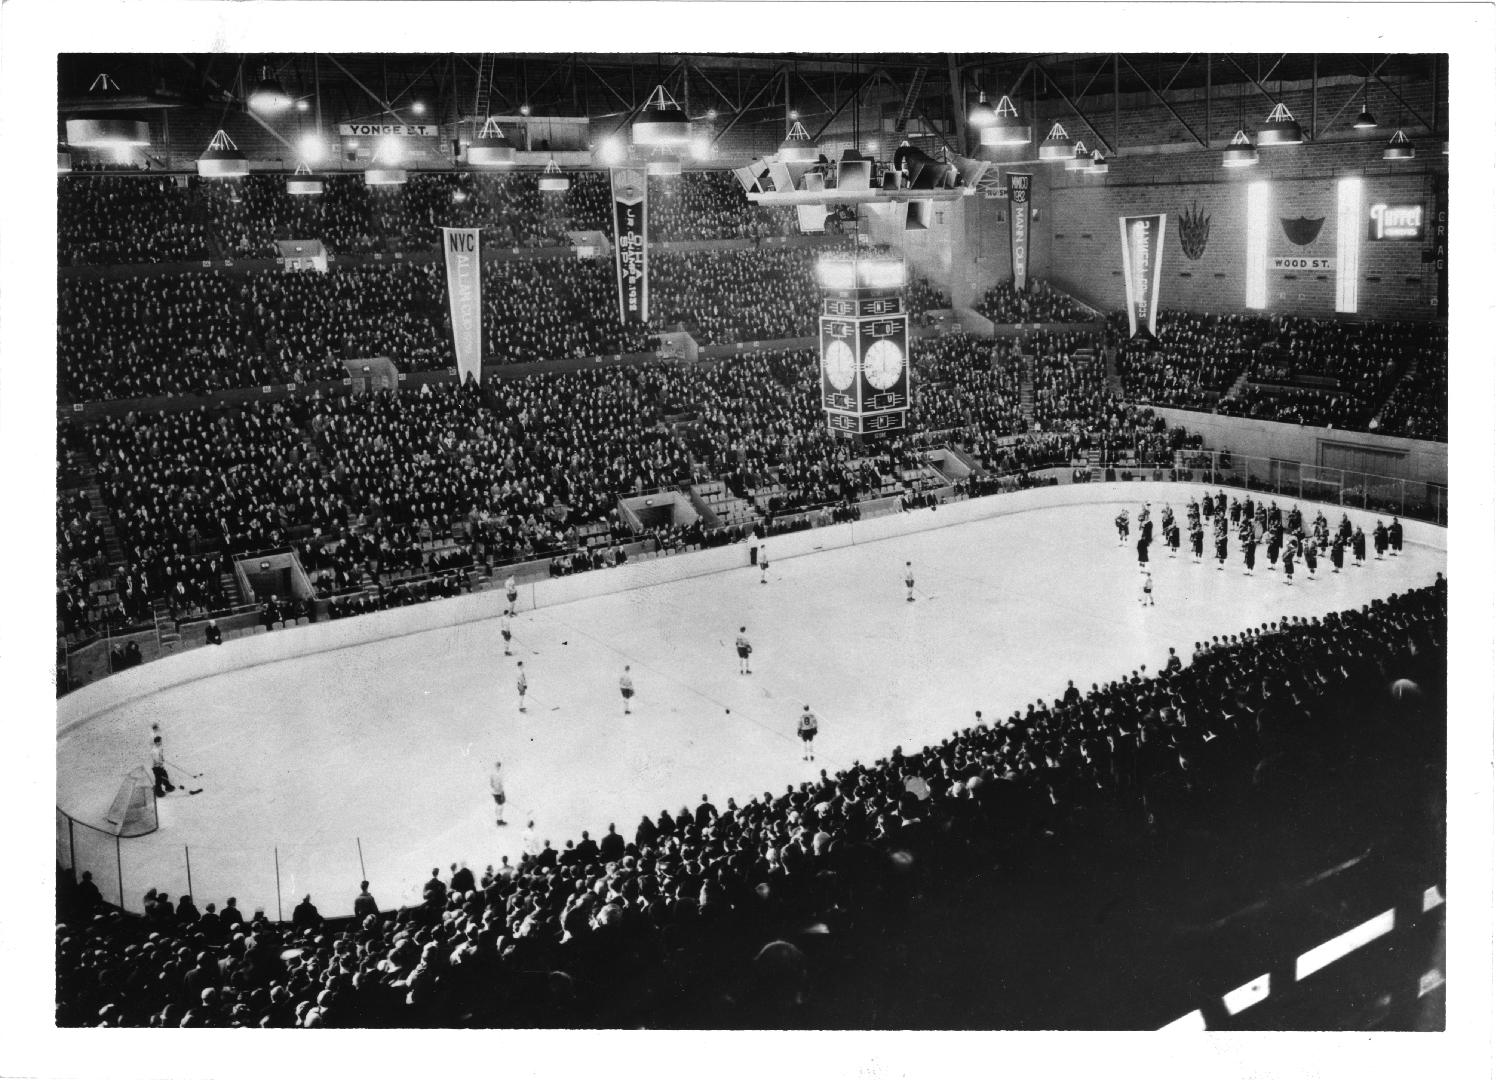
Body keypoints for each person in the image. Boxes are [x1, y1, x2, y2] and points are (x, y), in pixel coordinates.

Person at [489, 759, 507, 826]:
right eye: (499, 766)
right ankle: (499, 821)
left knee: (498, 805)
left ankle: (498, 819)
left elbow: (491, 783)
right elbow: (499, 785)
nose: (499, 767)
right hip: (498, 792)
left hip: (494, 792)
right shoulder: (498, 774)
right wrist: (502, 793)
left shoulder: (492, 773)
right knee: (500, 806)